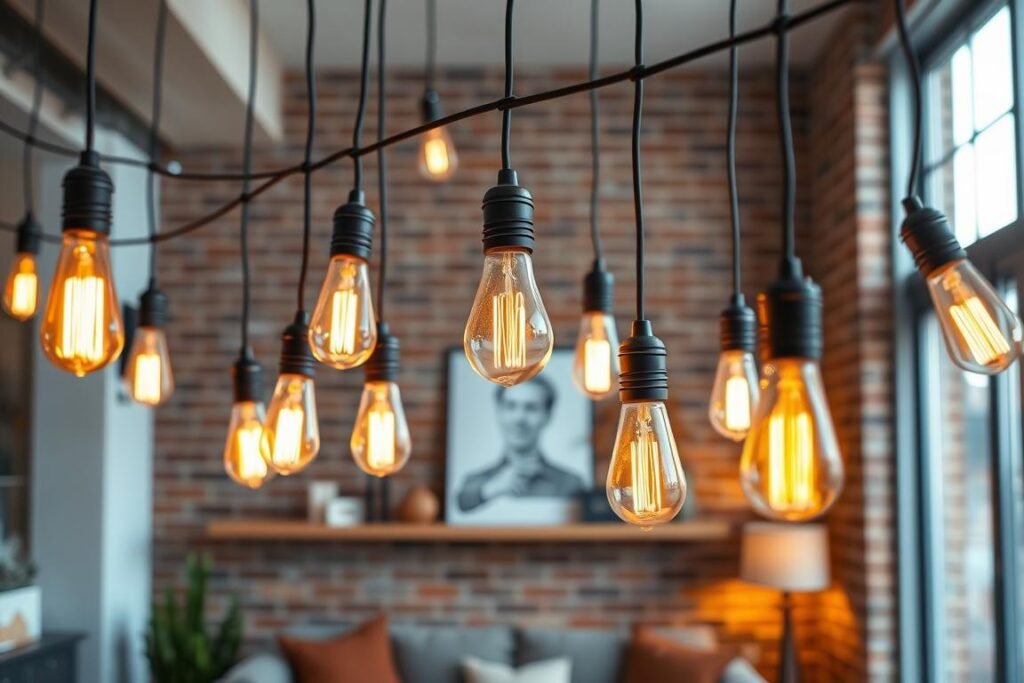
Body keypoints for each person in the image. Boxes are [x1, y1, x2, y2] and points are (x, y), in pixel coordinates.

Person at [456, 375, 585, 512]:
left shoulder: (570, 484)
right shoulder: (476, 482)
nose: (519, 418)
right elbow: (460, 505)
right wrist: (490, 489)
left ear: (547, 416)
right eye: (511, 406)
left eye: (531, 408)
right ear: (499, 412)